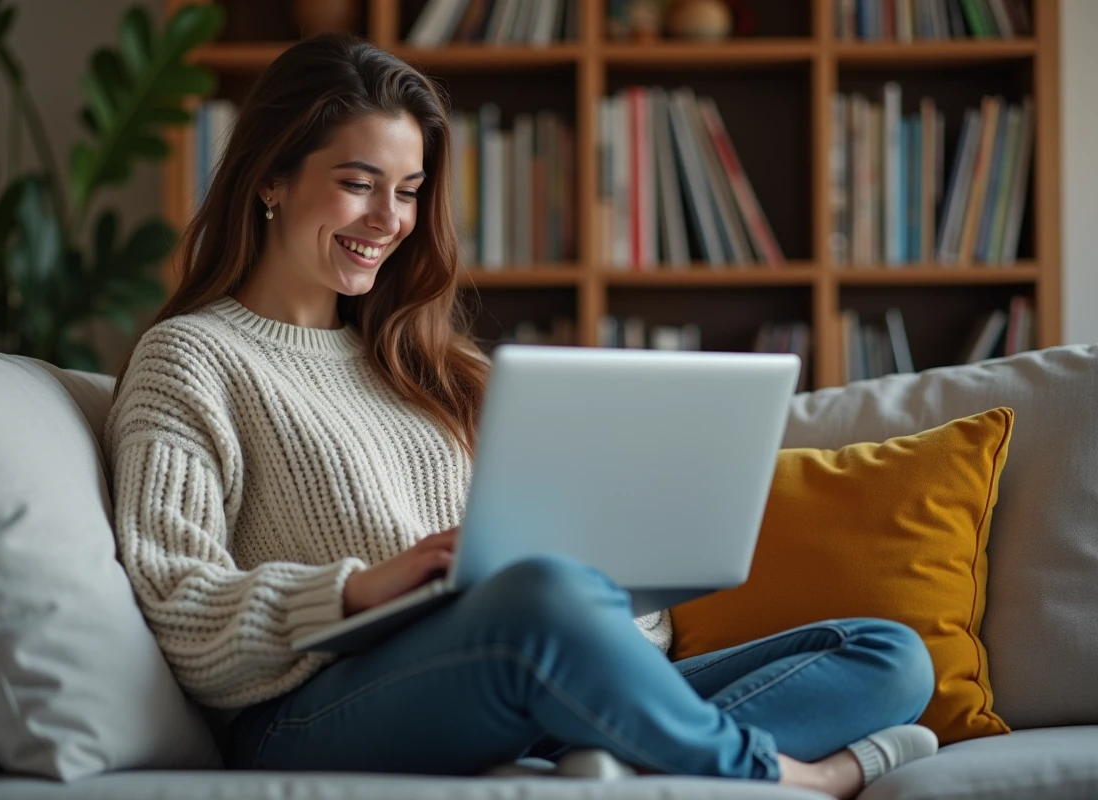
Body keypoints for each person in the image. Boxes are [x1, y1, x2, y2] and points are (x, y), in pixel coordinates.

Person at [104, 33, 938, 798]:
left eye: (408, 191)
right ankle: (793, 778)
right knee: (537, 601)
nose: (388, 221)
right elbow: (179, 605)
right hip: (307, 716)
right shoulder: (192, 359)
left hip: (525, 675)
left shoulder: (434, 367)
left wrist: (617, 596)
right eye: (357, 185)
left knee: (887, 655)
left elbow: (564, 583)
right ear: (271, 181)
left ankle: (598, 745)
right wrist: (359, 591)